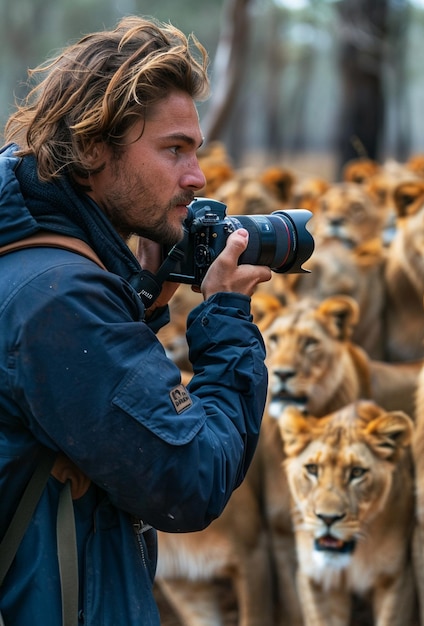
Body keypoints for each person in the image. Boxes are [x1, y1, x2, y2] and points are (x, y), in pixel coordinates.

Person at [0, 15, 272, 626]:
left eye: (196, 150)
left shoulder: (32, 262)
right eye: (173, 149)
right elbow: (190, 480)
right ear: (93, 147)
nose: (197, 177)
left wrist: (139, 294)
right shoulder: (58, 302)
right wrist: (225, 315)